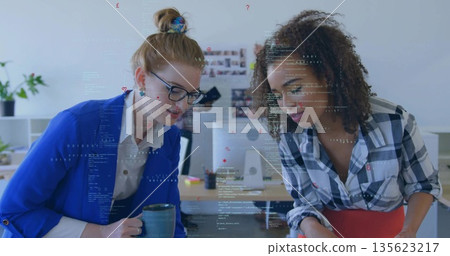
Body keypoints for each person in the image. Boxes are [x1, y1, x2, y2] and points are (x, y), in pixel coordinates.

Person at [0, 8, 205, 238]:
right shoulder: (77, 125)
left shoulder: (169, 138)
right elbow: (12, 211)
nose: (183, 105)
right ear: (141, 79)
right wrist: (100, 234)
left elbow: (170, 220)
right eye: (174, 90)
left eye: (191, 94)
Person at [250, 10, 441, 238]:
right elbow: (304, 205)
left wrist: (408, 232)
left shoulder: (394, 122)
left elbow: (423, 185)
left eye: (295, 89)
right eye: (277, 95)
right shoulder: (290, 134)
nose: (286, 104)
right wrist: (313, 229)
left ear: (326, 76)